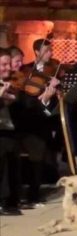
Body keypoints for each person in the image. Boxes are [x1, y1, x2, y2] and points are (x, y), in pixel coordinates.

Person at [10, 39, 62, 207]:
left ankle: (34, 193)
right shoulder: (22, 74)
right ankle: (13, 196)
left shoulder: (31, 76)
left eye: (20, 61)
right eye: (16, 62)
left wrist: (46, 98)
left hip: (30, 124)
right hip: (14, 127)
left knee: (38, 146)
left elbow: (31, 105)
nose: (19, 66)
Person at [0, 48, 21, 216]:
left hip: (8, 130)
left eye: (8, 63)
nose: (8, 68)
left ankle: (12, 199)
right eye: (3, 64)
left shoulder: (9, 84)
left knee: (12, 155)